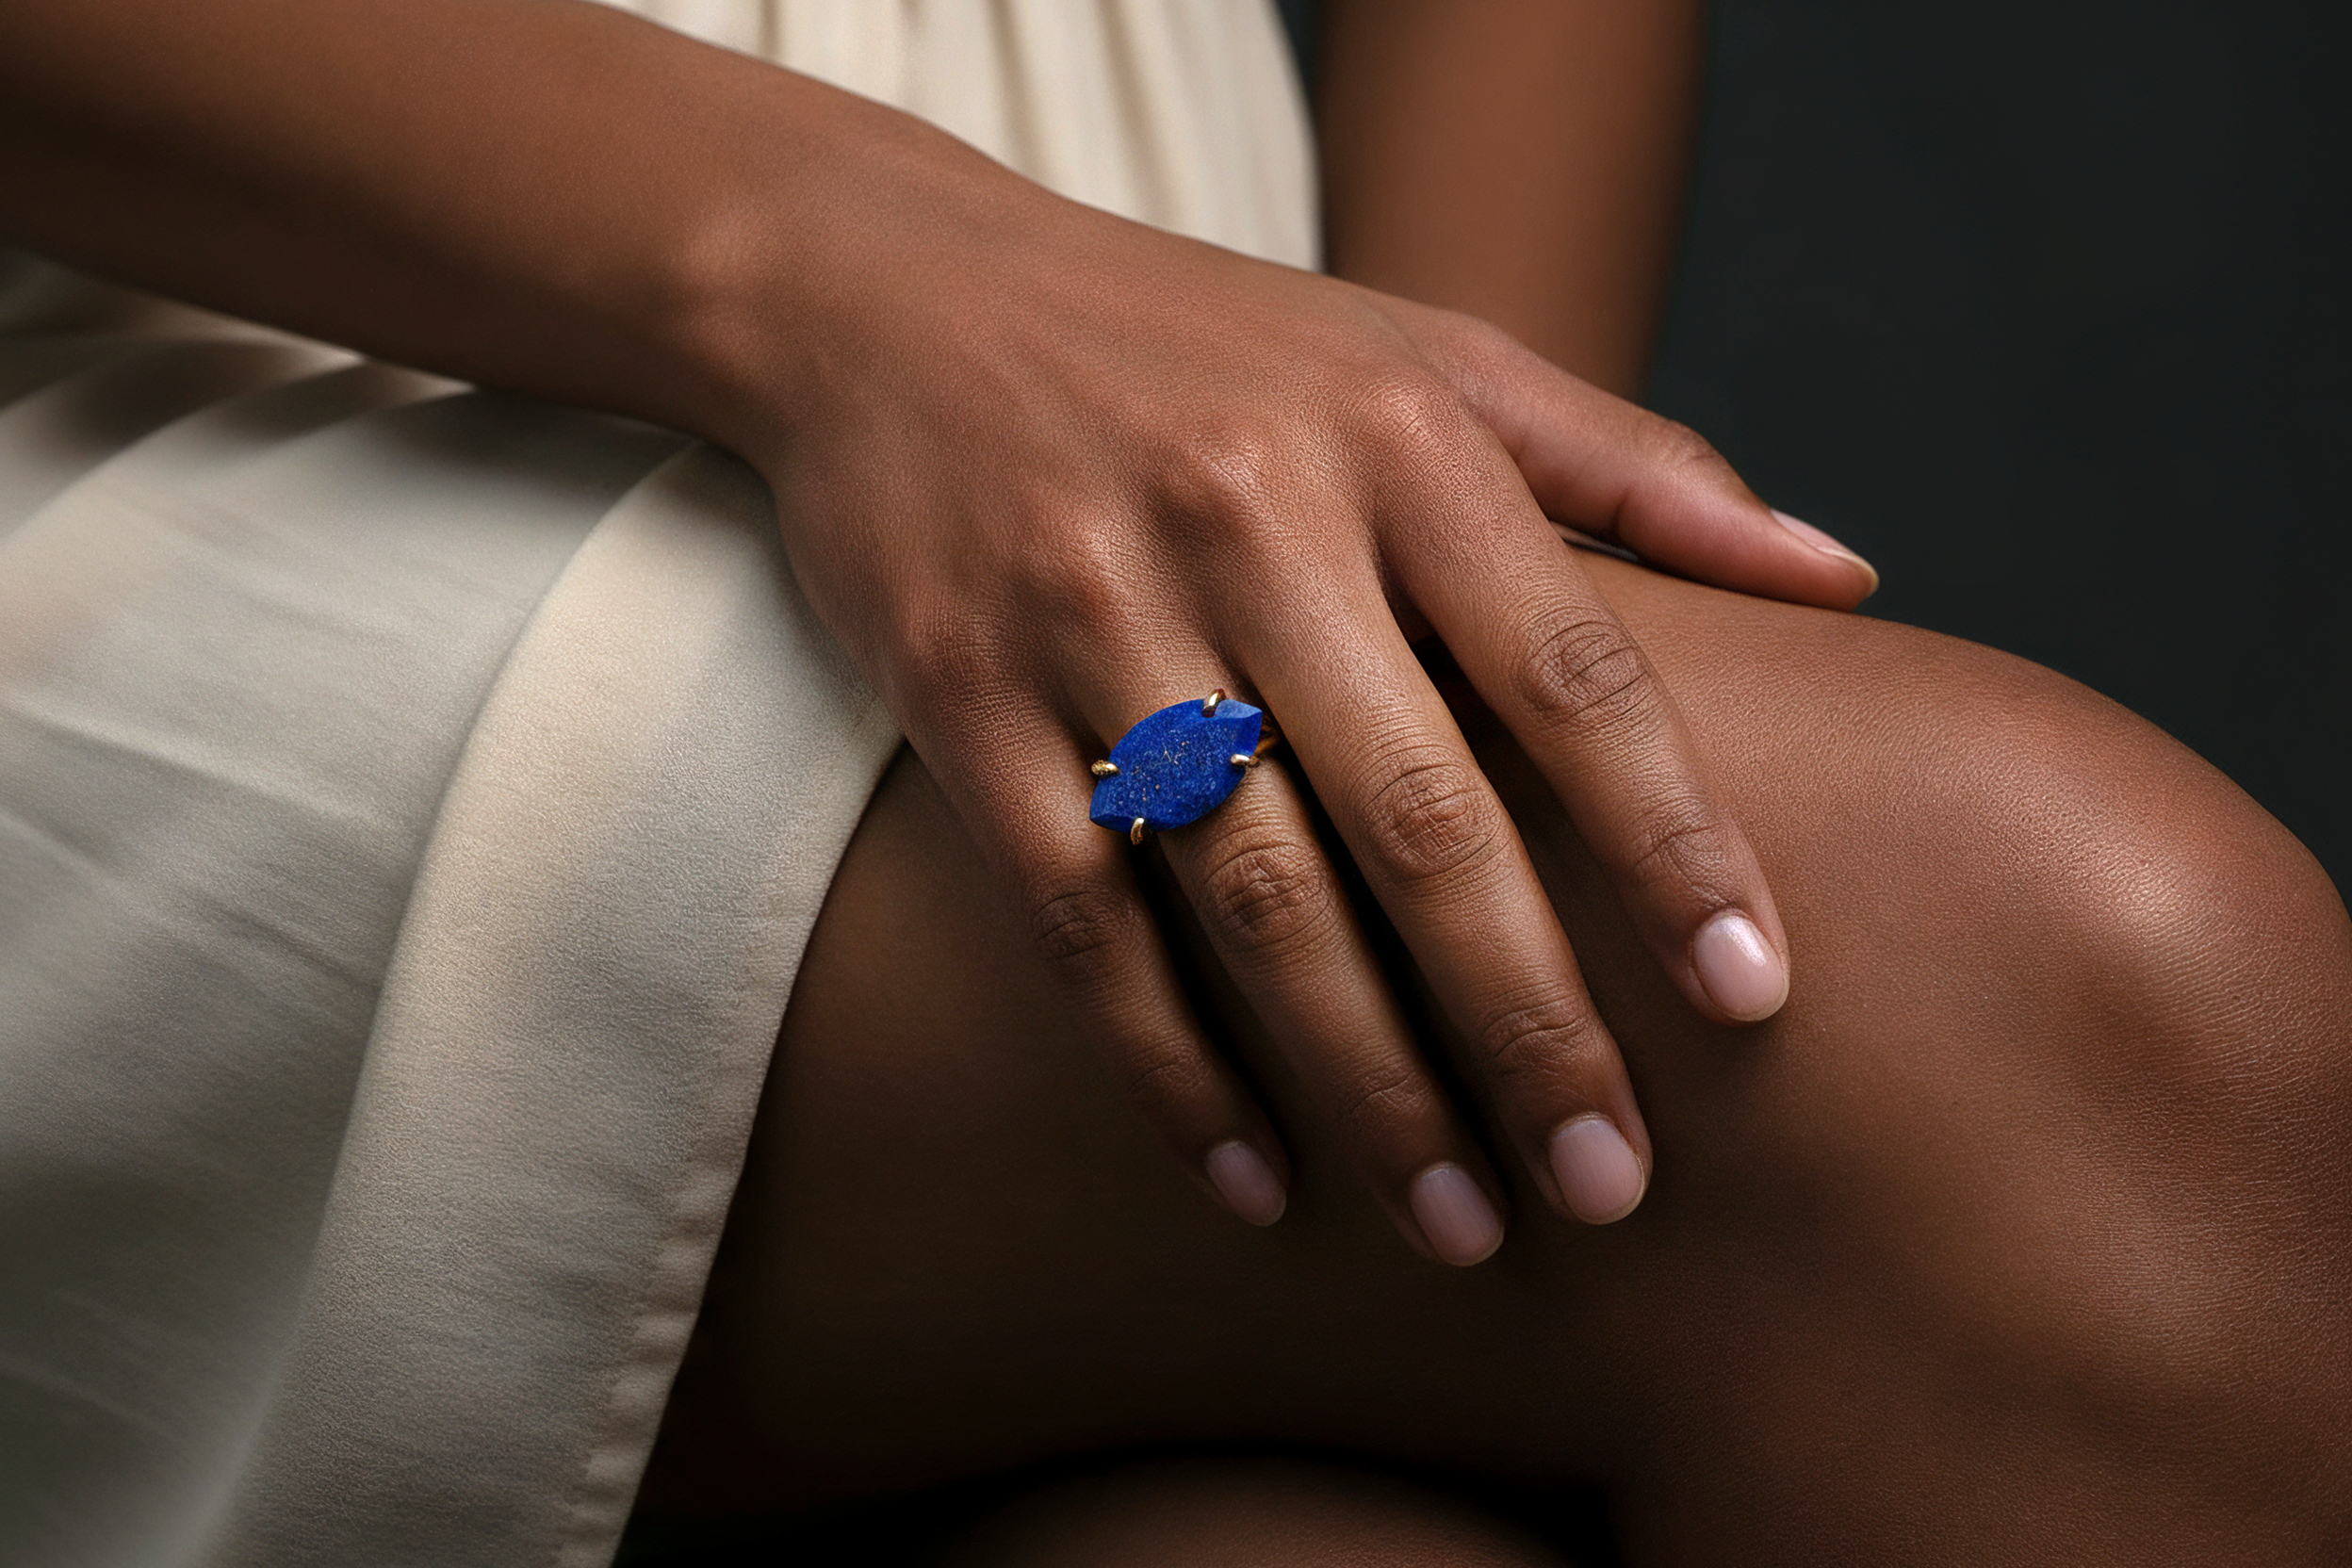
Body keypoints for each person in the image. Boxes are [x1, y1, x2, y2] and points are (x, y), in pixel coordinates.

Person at [0, 3, 2342, 1564]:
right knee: (2077, 1015)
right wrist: (846, 266)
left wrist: (1410, 513)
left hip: (1133, 272)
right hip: (176, 316)